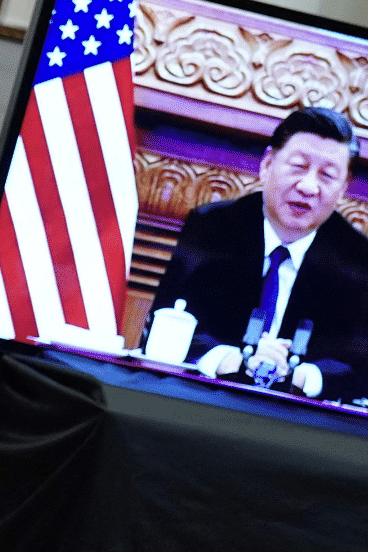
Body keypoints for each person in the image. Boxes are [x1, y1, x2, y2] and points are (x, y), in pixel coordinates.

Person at [148, 106, 368, 401]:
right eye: (298, 166)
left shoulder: (355, 257)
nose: (308, 186)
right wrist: (232, 358)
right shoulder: (213, 227)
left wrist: (301, 374)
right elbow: (167, 322)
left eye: (327, 176)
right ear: (267, 164)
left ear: (342, 189)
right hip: (205, 401)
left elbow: (358, 365)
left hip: (298, 420)